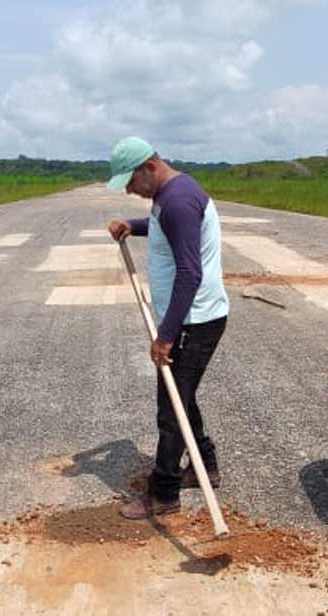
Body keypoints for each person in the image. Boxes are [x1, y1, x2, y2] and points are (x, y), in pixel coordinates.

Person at [106, 137, 229, 519]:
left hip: (195, 321)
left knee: (170, 409)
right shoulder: (172, 194)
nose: (129, 190)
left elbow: (189, 274)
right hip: (193, 319)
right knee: (183, 397)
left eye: (130, 181)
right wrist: (134, 225)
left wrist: (166, 336)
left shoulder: (176, 200)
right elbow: (167, 229)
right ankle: (205, 466)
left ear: (149, 167)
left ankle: (163, 493)